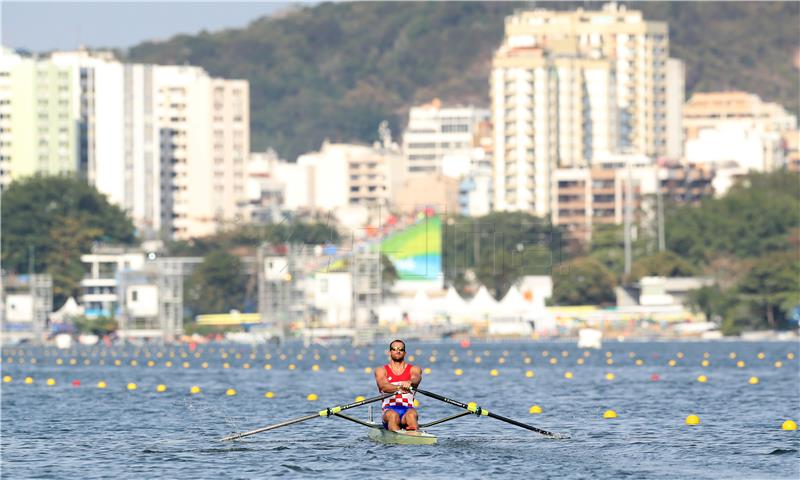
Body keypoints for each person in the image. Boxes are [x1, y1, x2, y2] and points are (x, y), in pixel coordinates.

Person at [374, 339, 422, 431]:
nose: (398, 351)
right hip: (388, 411)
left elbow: (416, 378)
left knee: (412, 415)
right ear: (389, 352)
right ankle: (395, 440)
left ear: (405, 353)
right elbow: (383, 386)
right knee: (393, 415)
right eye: (394, 349)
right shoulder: (381, 370)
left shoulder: (414, 369)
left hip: (407, 409)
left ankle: (415, 436)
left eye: (401, 349)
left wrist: (410, 382)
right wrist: (399, 387)